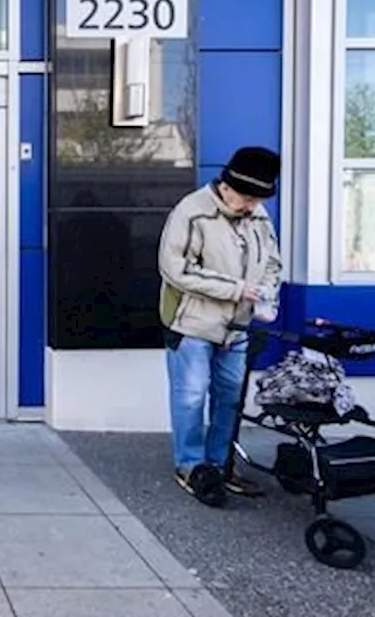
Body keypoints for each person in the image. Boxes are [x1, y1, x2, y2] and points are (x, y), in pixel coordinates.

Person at [157, 146, 282, 507]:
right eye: (247, 197)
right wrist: (236, 290)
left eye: (258, 199)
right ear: (226, 187)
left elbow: (272, 261)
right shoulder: (191, 212)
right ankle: (191, 466)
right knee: (191, 397)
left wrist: (266, 293)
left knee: (230, 398)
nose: (252, 206)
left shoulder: (259, 214)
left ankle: (221, 465)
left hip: (239, 326)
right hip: (192, 322)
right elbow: (174, 269)